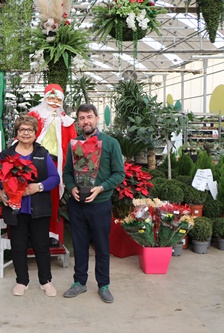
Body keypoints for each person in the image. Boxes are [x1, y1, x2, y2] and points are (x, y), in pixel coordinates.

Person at [62, 103, 125, 303]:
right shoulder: (74, 145)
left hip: (100, 204)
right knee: (79, 246)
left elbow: (119, 173)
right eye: (81, 118)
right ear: (77, 121)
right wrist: (71, 187)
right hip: (77, 203)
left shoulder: (110, 143)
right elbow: (67, 172)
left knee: (101, 246)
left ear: (97, 118)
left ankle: (103, 284)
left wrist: (101, 188)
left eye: (89, 116)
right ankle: (79, 282)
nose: (85, 121)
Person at [0, 115, 60, 297]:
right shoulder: (7, 155)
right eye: (22, 129)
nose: (26, 133)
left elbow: (54, 178)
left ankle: (45, 281)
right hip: (16, 208)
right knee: (18, 245)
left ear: (35, 133)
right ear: (17, 133)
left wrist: (37, 187)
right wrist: (0, 192)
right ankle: (21, 281)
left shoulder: (42, 153)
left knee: (41, 245)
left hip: (39, 207)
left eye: (30, 130)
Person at [28, 84, 77, 244]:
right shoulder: (34, 116)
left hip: (55, 163)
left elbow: (74, 146)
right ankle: (29, 233)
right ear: (45, 98)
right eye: (51, 98)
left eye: (58, 99)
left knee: (53, 198)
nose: (54, 102)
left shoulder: (66, 121)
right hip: (34, 161)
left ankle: (51, 234)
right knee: (31, 194)